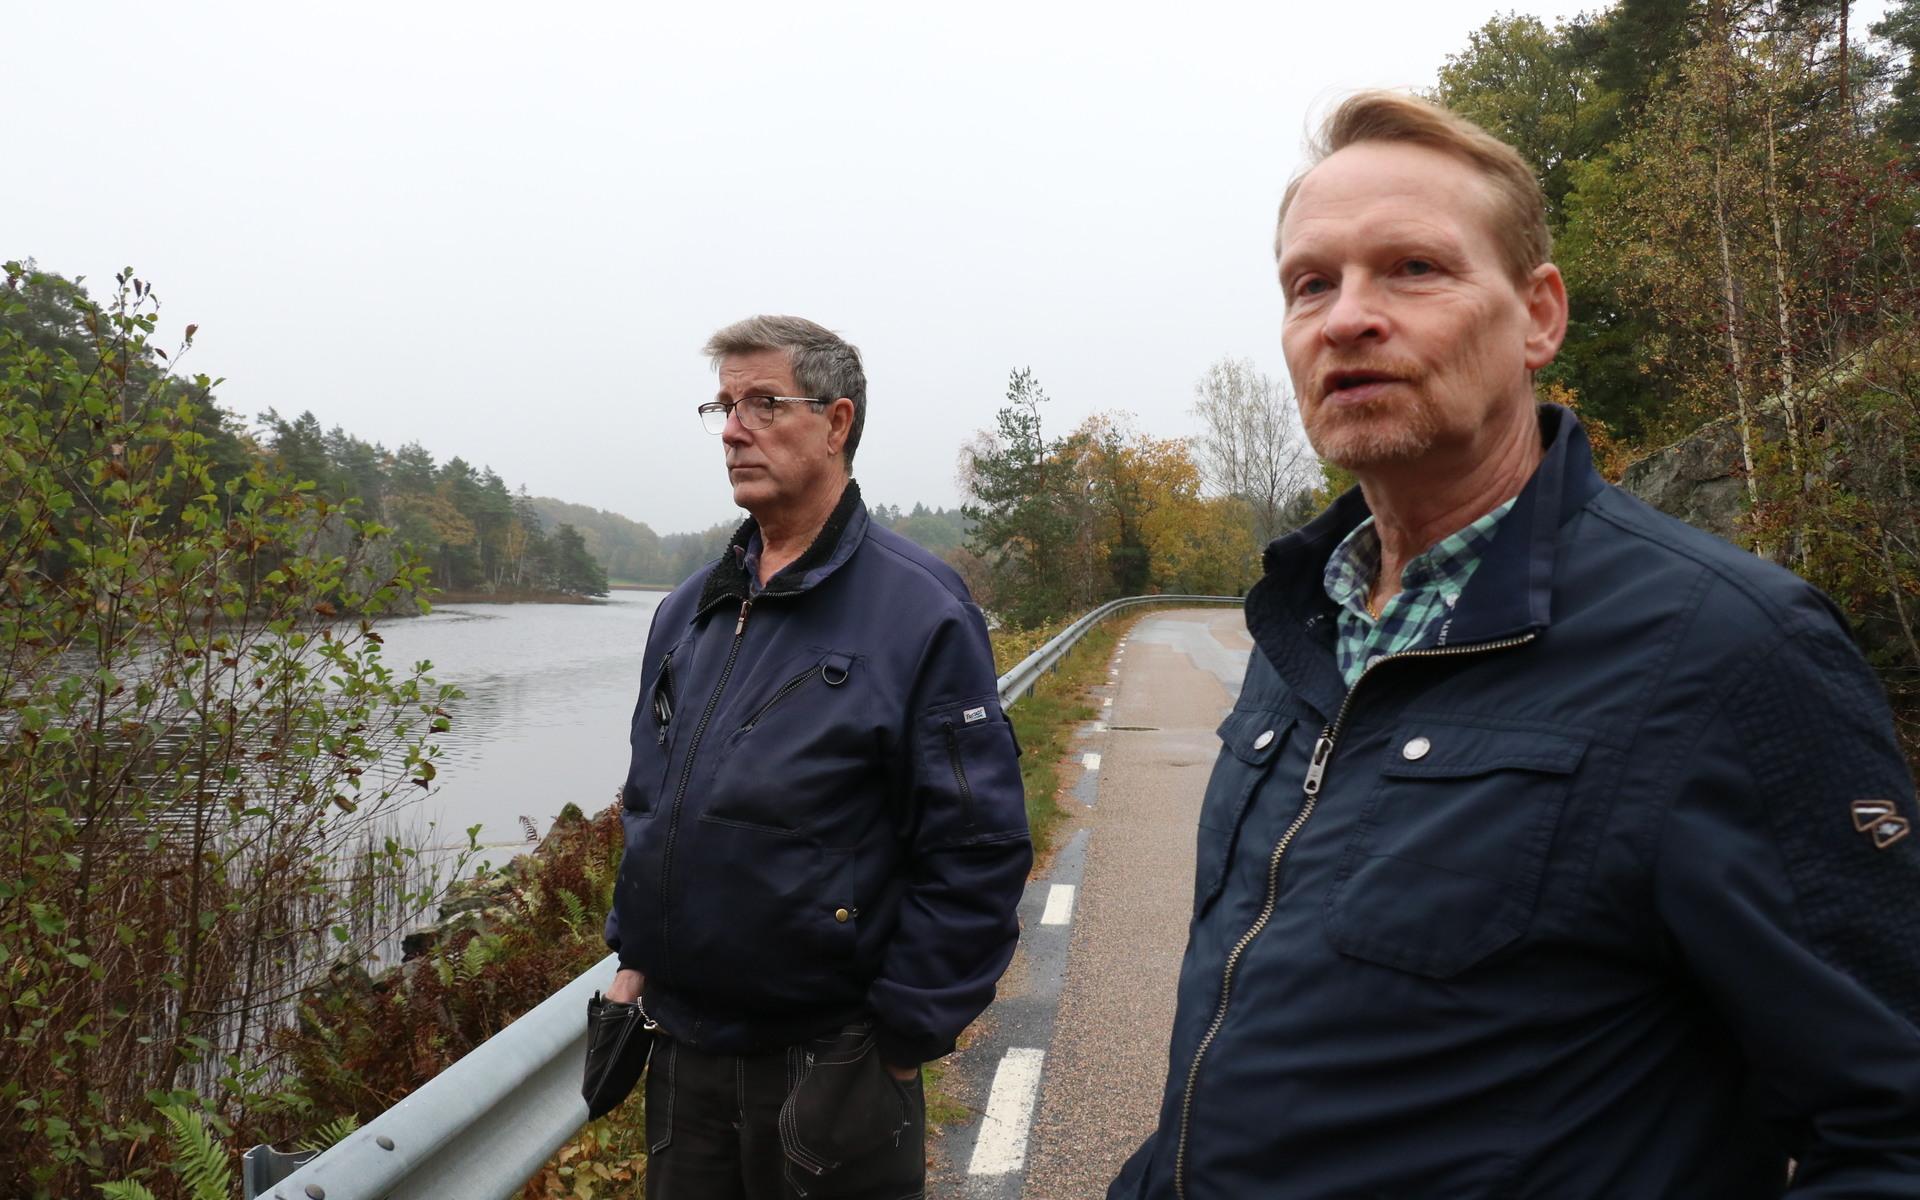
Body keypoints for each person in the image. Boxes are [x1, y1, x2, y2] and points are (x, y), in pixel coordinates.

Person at [1112, 92, 1920, 1199]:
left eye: (1414, 270)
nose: (1347, 316)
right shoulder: (1306, 619)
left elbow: (1890, 1128)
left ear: (1539, 316)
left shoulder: (1729, 647)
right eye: (1312, 283)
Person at [604, 315, 1031, 1199]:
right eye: (723, 406)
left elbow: (977, 848)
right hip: (684, 1052)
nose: (732, 428)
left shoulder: (921, 610)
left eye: (764, 403)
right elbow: (651, 797)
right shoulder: (688, 610)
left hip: (837, 1057)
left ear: (837, 423)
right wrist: (633, 958)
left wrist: (903, 1044)